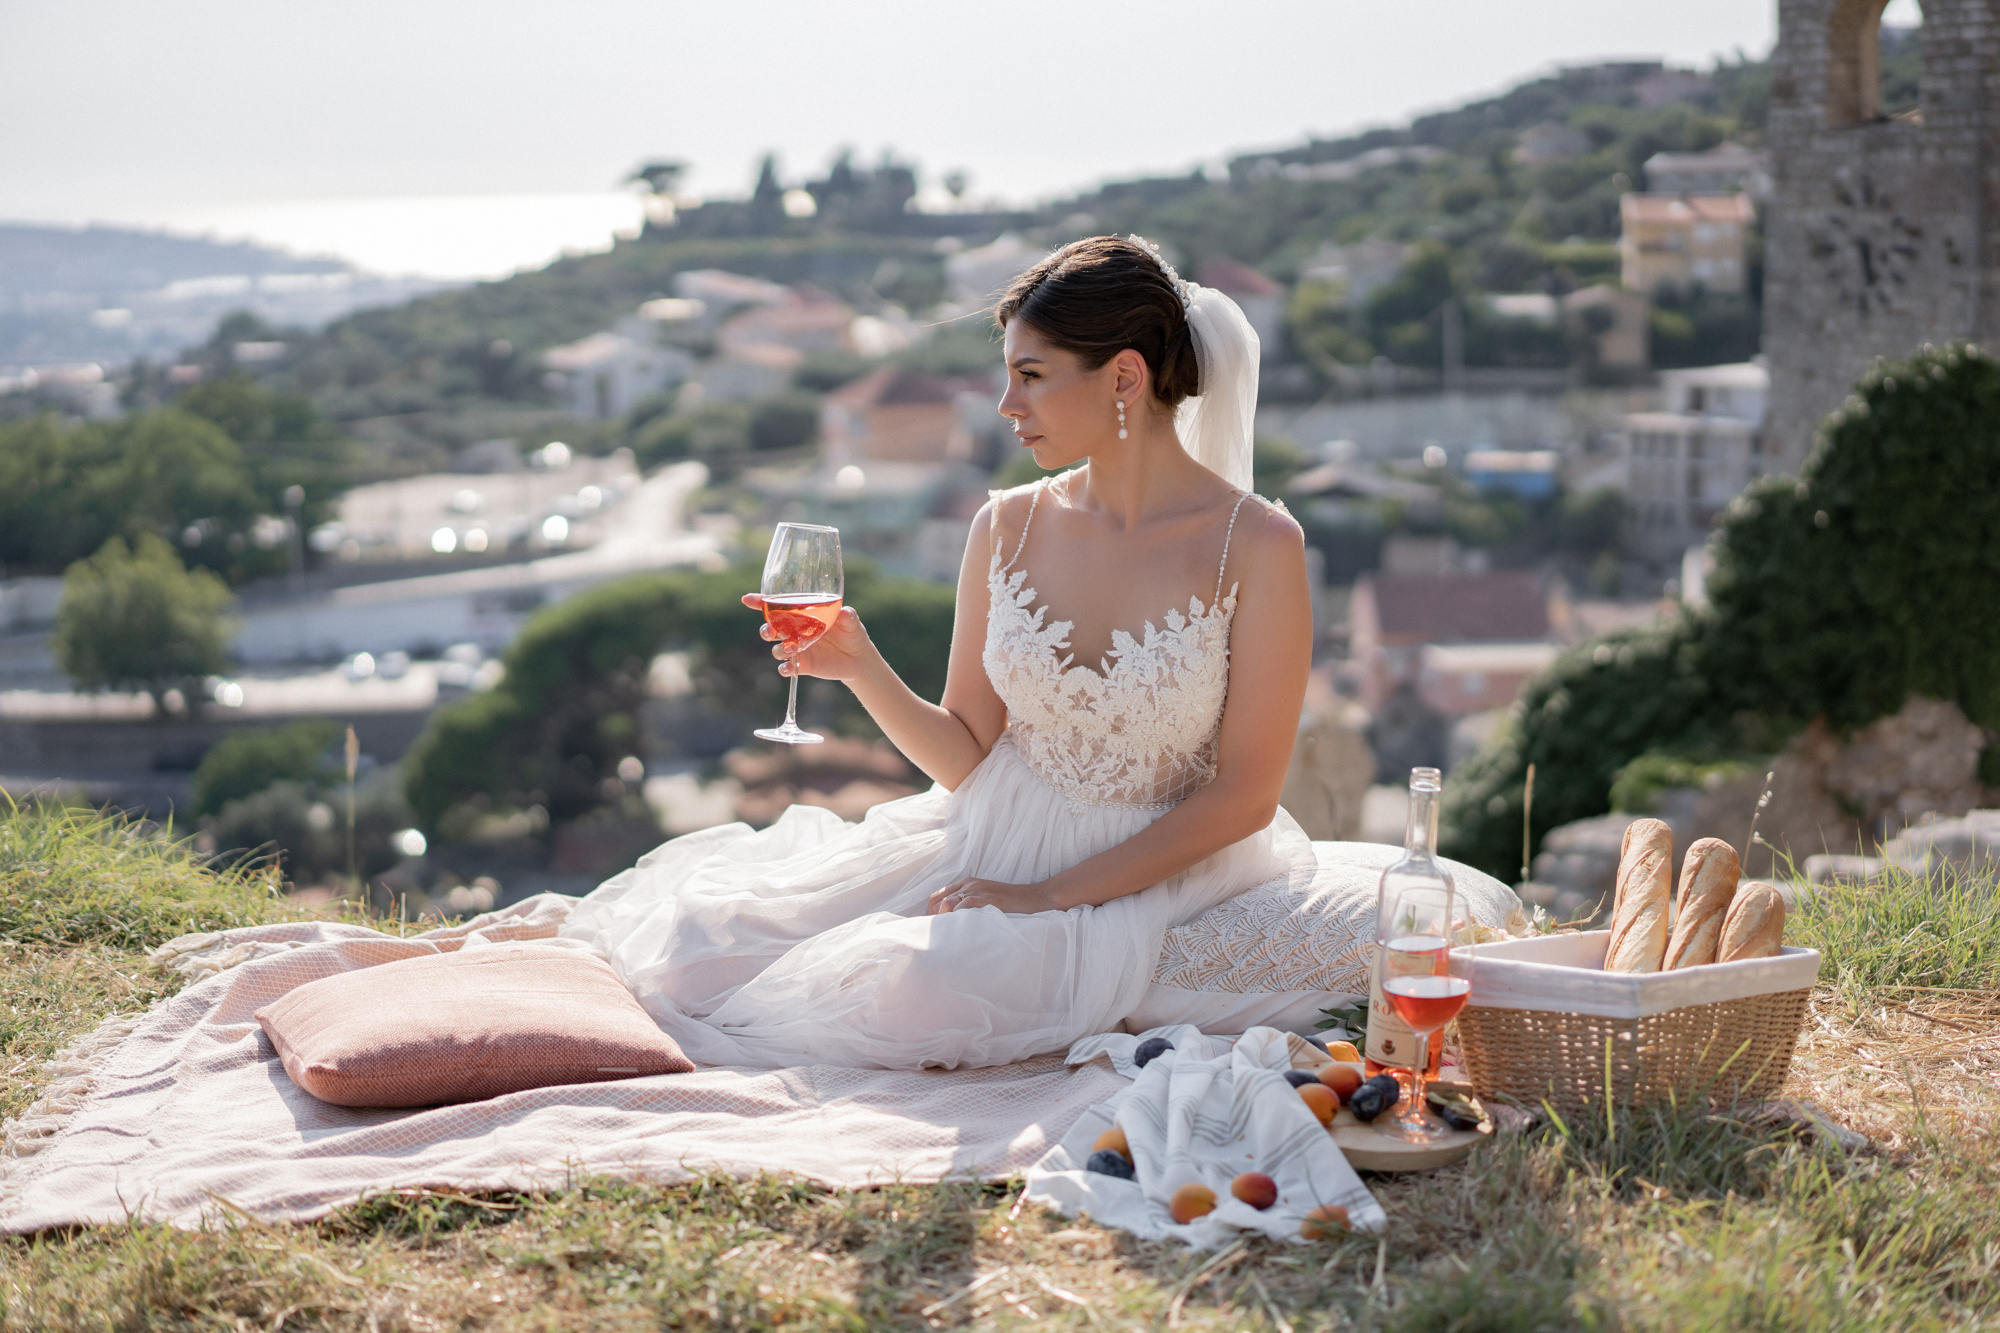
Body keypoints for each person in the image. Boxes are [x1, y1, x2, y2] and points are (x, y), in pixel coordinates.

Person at [560, 236, 1317, 1069]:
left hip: (1151, 872)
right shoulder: (1007, 524)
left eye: (1030, 374)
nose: (1004, 403)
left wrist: (1046, 899)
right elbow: (966, 755)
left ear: (1125, 378)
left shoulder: (1256, 544)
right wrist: (859, 664)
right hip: (985, 839)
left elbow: (1246, 795)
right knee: (708, 946)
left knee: (910, 988)